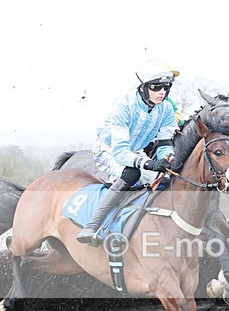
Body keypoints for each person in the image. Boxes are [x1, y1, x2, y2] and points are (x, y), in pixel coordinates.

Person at [76, 60, 178, 246]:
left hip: (135, 151)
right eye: (156, 87)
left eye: (166, 87)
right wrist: (147, 163)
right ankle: (93, 226)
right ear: (144, 88)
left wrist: (167, 156)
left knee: (165, 179)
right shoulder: (123, 105)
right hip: (109, 149)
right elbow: (121, 152)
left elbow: (164, 142)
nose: (162, 92)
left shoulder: (166, 109)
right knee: (132, 173)